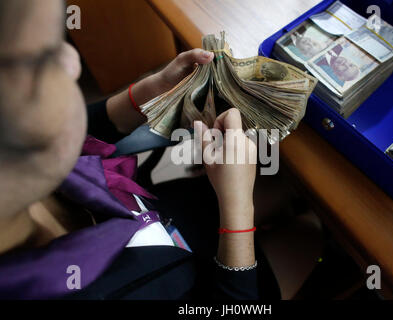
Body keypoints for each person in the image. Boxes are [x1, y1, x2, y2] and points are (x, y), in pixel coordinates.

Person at [0, 0, 322, 300]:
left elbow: (78, 139)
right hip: (214, 276)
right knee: (309, 236)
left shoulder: (25, 171)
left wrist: (143, 95)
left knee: (282, 183)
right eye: (44, 61)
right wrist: (238, 209)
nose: (73, 62)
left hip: (165, 205)